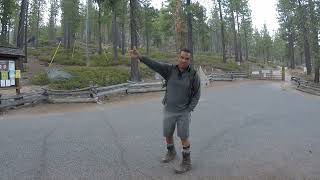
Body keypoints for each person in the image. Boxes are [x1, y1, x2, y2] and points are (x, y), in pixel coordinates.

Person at [129, 48, 201, 173]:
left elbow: (197, 94)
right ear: (178, 57)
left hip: (183, 112)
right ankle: (171, 152)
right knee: (168, 133)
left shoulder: (193, 75)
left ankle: (186, 161)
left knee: (184, 136)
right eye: (182, 57)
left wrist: (189, 109)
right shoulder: (169, 70)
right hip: (169, 109)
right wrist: (141, 57)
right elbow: (155, 65)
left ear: (190, 60)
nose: (184, 60)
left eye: (187, 58)